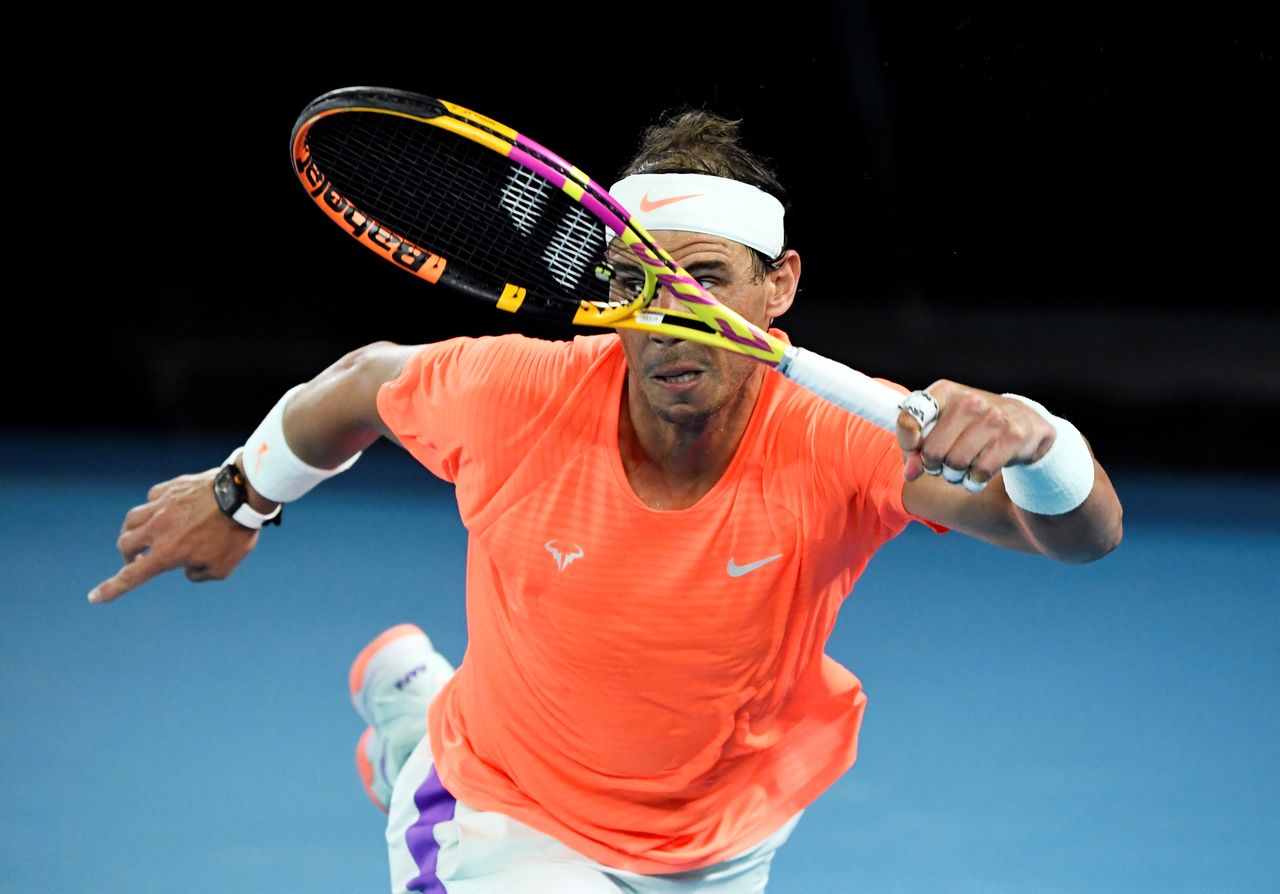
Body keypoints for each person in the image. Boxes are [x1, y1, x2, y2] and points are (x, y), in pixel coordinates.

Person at [93, 110, 1123, 892]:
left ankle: (410, 717)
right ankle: (427, 754)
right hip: (504, 808)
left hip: (720, 836)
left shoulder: (848, 435)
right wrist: (238, 495)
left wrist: (1041, 444)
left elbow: (1080, 537)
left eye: (706, 276)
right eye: (637, 283)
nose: (670, 317)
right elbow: (362, 384)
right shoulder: (516, 394)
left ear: (778, 287)